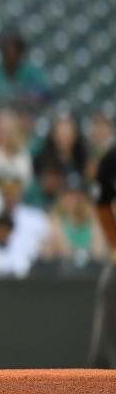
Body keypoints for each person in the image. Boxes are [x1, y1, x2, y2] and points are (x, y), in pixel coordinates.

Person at [89, 144, 116, 368]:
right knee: (109, 286)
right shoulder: (111, 159)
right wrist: (115, 243)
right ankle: (102, 373)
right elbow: (102, 204)